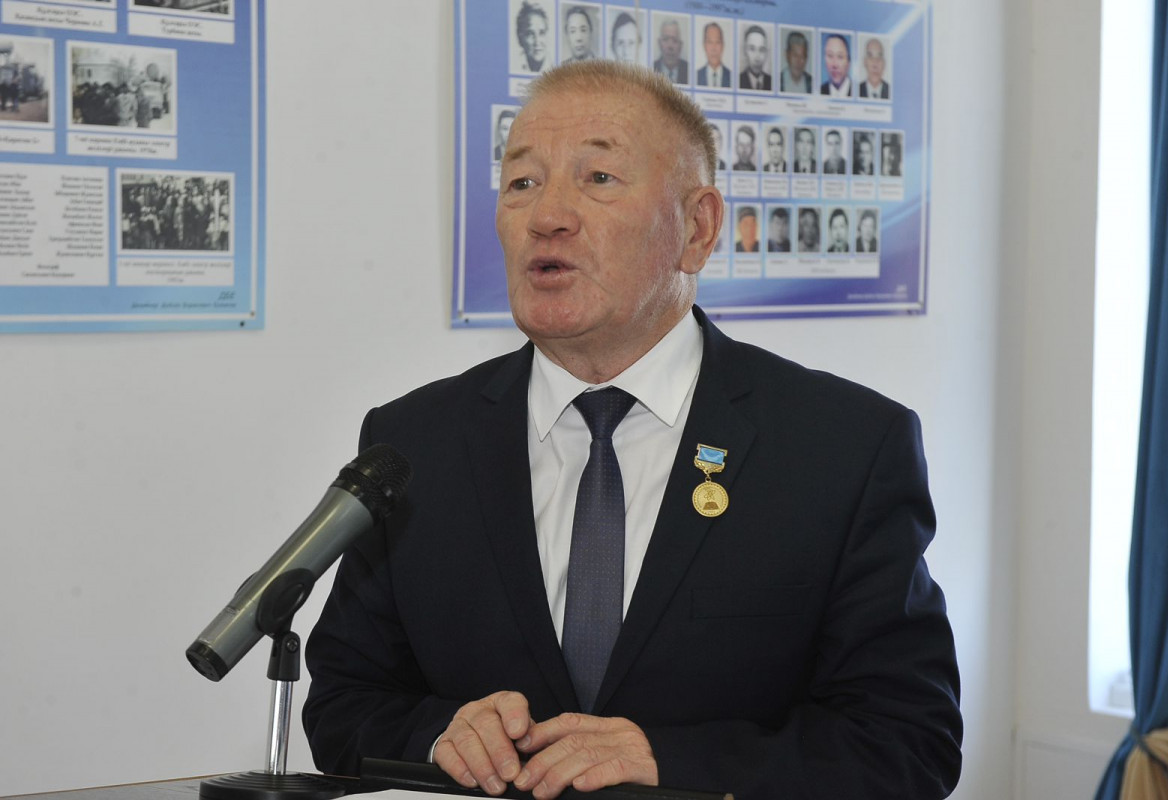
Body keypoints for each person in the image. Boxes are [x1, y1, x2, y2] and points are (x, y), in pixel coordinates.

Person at [303, 60, 962, 800]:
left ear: (697, 229)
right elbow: (345, 704)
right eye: (522, 182)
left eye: (598, 178)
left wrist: (668, 761)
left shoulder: (843, 448)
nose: (547, 215)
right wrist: (442, 735)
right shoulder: (413, 443)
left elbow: (908, 743)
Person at [515, 2, 551, 74]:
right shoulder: (515, 66)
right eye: (530, 34)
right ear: (520, 38)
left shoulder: (556, 67)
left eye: (542, 33)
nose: (537, 42)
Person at [695, 22, 731, 88]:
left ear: (723, 46)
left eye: (717, 42)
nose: (714, 48)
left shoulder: (731, 77)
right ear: (704, 45)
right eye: (709, 42)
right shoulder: (696, 76)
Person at [653, 19, 688, 84]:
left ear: (680, 45)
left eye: (675, 40)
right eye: (665, 39)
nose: (670, 46)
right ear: (659, 43)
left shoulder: (688, 70)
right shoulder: (651, 68)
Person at [738, 25, 771, 91]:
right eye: (752, 49)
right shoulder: (738, 80)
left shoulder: (771, 82)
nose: (757, 56)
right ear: (745, 51)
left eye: (761, 49)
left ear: (766, 53)